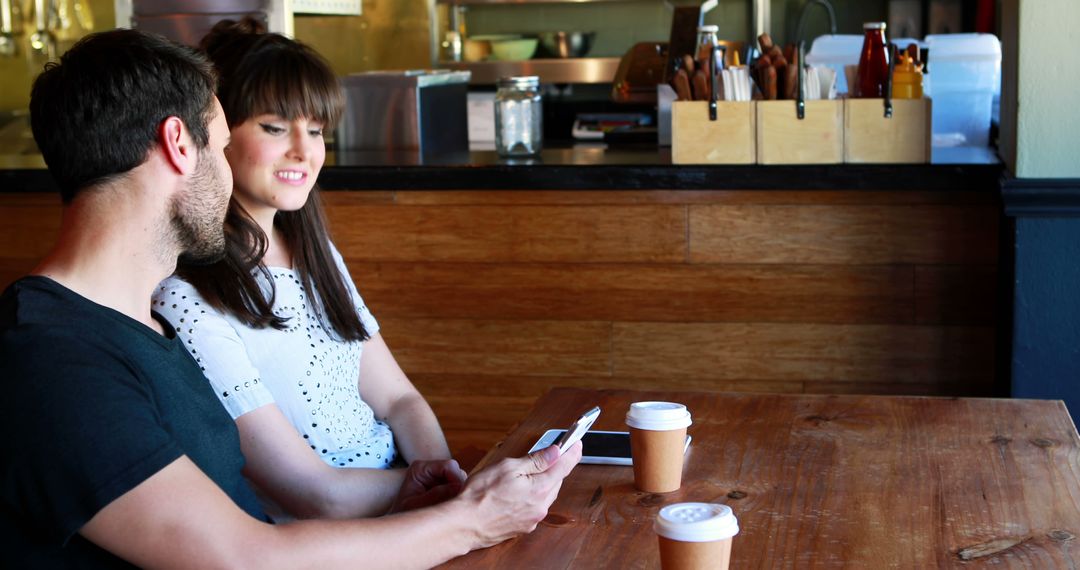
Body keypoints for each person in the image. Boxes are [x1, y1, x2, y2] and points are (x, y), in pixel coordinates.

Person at [0, 29, 581, 568]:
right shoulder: (56, 362)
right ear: (180, 145)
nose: (226, 177)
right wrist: (472, 519)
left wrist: (438, 503)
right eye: (223, 144)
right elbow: (246, 559)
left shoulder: (137, 328)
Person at [152, 18, 447, 522]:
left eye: (315, 130)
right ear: (214, 134)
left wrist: (446, 475)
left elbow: (399, 400)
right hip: (328, 535)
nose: (303, 151)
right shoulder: (185, 294)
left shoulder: (315, 251)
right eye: (273, 127)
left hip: (405, 500)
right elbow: (315, 495)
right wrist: (443, 492)